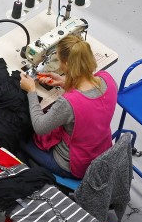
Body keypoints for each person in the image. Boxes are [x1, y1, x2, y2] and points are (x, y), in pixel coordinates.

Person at [19, 35, 117, 179]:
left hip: (75, 165)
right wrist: (64, 82)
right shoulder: (107, 79)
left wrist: (31, 91)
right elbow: (91, 100)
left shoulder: (68, 103)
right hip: (102, 153)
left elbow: (39, 127)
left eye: (58, 60)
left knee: (19, 139)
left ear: (66, 65)